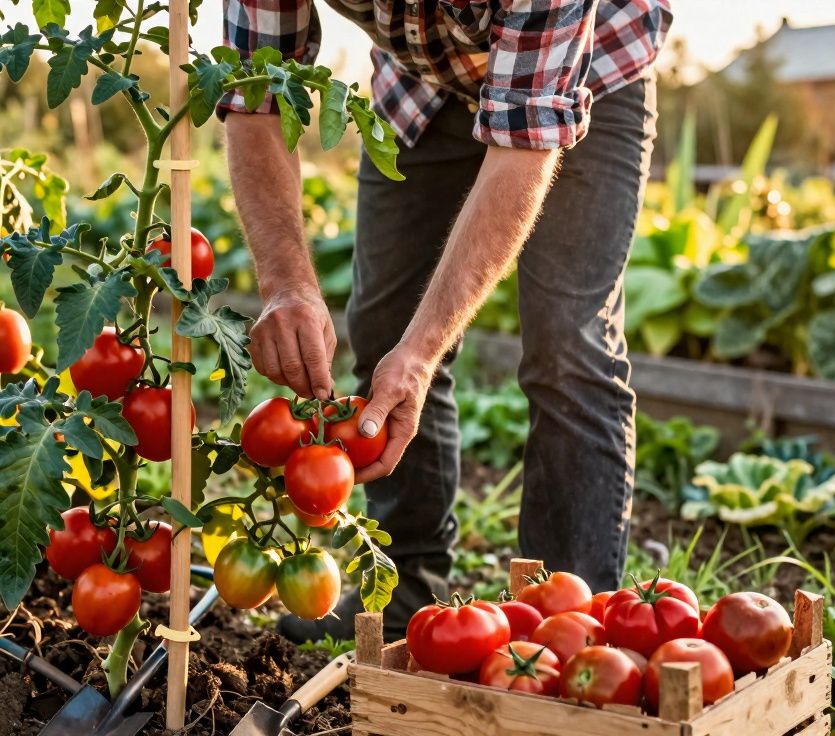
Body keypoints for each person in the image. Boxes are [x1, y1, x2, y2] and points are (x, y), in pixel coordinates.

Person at [219, 0, 671, 641]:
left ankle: (571, 633)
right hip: (419, 88)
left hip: (585, 71)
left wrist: (425, 349)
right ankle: (406, 593)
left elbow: (525, 142)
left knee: (567, 345)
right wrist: (285, 282)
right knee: (383, 329)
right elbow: (253, 92)